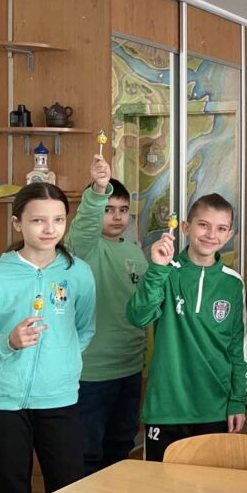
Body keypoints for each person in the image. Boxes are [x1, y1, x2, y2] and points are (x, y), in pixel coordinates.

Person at [0, 184, 96, 493]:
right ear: (17, 223)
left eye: (58, 219)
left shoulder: (78, 273)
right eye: (38, 220)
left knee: (67, 492)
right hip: (3, 406)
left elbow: (84, 329)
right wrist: (7, 342)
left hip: (59, 400)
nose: (49, 229)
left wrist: (61, 364)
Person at [127, 193, 247, 462]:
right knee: (159, 484)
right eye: (203, 225)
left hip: (214, 408)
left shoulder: (233, 283)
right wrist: (157, 269)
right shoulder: (165, 272)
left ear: (229, 235)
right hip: (166, 408)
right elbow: (138, 316)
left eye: (221, 228)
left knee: (208, 485)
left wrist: (237, 401)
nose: (211, 235)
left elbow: (238, 349)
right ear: (186, 227)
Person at [67, 154, 148, 475]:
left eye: (123, 210)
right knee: (85, 454)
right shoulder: (83, 248)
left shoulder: (134, 251)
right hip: (91, 374)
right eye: (108, 209)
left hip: (129, 369)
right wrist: (98, 190)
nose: (116, 217)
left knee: (120, 447)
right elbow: (85, 226)